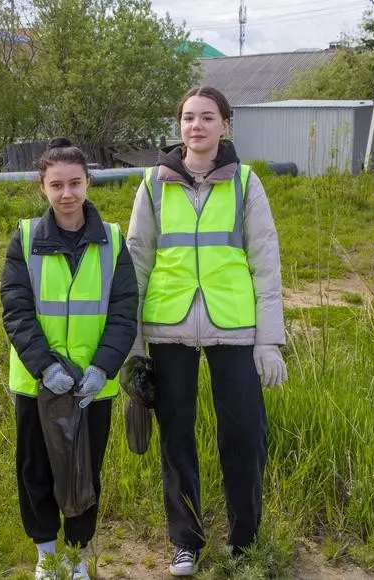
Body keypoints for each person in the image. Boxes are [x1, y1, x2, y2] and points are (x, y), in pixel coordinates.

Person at [126, 86, 287, 576]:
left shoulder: (245, 184)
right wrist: (133, 347)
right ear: (179, 127)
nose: (196, 126)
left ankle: (244, 541)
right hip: (169, 329)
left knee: (244, 437)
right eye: (188, 118)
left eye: (207, 117)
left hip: (234, 328)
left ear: (225, 126)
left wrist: (269, 341)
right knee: (177, 438)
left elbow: (265, 262)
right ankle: (186, 542)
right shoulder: (153, 184)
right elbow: (135, 262)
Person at [1, 138, 138, 580]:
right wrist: (45, 367)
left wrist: (103, 367)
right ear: (42, 186)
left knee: (84, 473)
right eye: (56, 184)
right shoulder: (24, 239)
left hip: (91, 387)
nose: (66, 194)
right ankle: (47, 554)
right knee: (36, 468)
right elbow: (16, 310)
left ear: (88, 182)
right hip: (38, 383)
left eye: (75, 183)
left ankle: (76, 556)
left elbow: (123, 311)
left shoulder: (114, 241)